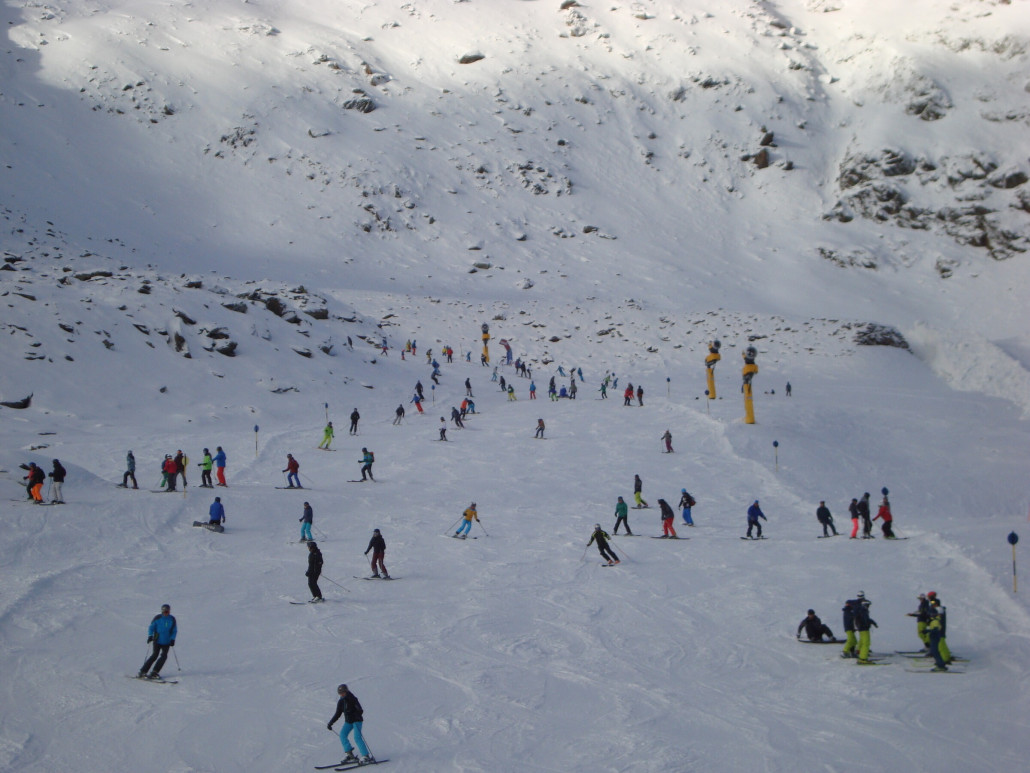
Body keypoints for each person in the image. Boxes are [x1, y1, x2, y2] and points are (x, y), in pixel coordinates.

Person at [328, 684, 372, 765]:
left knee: (357, 737)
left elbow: (360, 710)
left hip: (356, 721)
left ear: (346, 691)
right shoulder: (341, 701)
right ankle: (350, 755)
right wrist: (331, 723)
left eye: (343, 692)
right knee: (342, 735)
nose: (341, 694)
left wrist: (354, 714)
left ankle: (366, 756)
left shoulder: (352, 699)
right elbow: (338, 713)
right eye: (340, 693)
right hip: (348, 722)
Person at [137, 604, 177, 679]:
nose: (166, 613)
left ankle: (155, 672)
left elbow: (174, 631)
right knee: (154, 655)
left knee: (164, 656)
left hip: (167, 641)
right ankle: (143, 671)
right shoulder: (157, 618)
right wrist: (150, 636)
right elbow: (151, 628)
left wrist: (172, 639)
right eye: (165, 611)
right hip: (157, 640)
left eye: (167, 611)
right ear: (162, 611)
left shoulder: (172, 619)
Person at [854, 591, 878, 663]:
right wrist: (867, 624)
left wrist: (872, 622)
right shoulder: (863, 610)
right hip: (864, 628)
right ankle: (863, 658)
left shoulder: (861, 610)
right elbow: (864, 620)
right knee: (866, 643)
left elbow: (865, 619)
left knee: (863, 641)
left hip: (861, 627)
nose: (868, 606)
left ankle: (860, 653)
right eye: (868, 605)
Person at [926, 605, 948, 670]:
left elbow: (936, 630)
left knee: (935, 651)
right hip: (934, 637)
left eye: (932, 614)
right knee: (934, 651)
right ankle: (940, 664)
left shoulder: (935, 621)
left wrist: (928, 630)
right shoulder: (934, 620)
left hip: (935, 638)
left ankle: (940, 665)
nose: (931, 615)